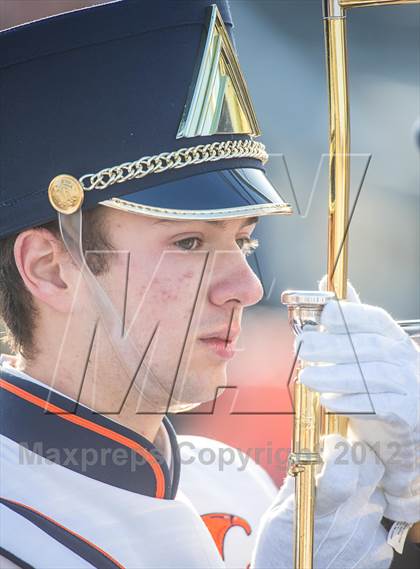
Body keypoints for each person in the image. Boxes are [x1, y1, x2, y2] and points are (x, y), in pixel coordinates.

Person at [0, 1, 418, 567]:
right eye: (189, 243)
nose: (247, 287)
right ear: (50, 268)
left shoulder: (232, 484)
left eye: (243, 240)